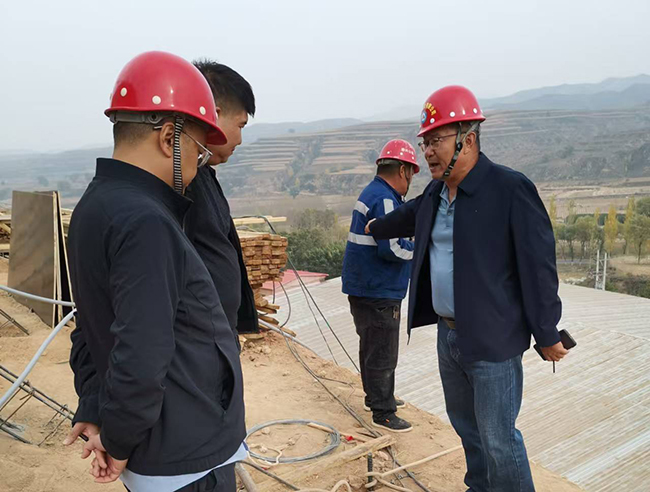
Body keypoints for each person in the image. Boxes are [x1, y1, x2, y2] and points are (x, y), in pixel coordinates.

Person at [366, 86, 568, 491]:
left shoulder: (509, 189)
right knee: (467, 429)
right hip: (449, 335)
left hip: (493, 339)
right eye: (424, 143)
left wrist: (546, 331)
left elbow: (539, 267)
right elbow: (409, 215)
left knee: (498, 438)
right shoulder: (436, 193)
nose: (428, 152)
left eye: (436, 141)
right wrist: (376, 226)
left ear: (468, 139)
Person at [64, 51, 246, 492]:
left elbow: (89, 323)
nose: (199, 165)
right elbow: (141, 353)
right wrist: (119, 439)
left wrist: (95, 403)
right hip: (184, 455)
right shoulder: (146, 220)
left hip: (164, 447)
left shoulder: (94, 206)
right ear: (169, 138)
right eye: (198, 151)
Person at [341, 139, 418, 433]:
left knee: (371, 347)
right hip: (378, 290)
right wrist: (420, 252)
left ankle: (376, 397)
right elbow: (392, 248)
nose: (410, 180)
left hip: (364, 287)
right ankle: (383, 412)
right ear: (403, 170)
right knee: (383, 351)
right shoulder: (385, 200)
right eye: (411, 174)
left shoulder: (373, 193)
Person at [184, 60, 258, 338]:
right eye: (240, 125)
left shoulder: (202, 174)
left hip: (217, 336)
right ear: (213, 115)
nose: (239, 139)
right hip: (200, 338)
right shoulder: (182, 181)